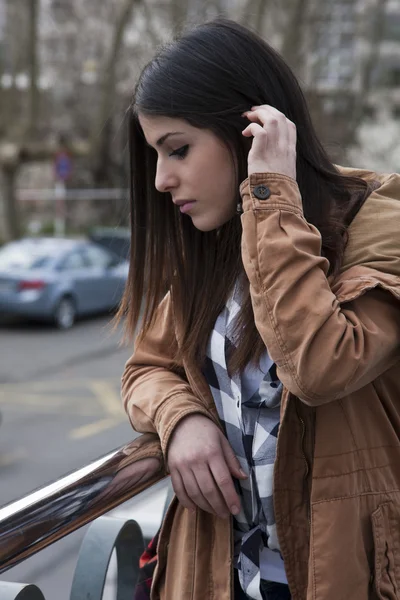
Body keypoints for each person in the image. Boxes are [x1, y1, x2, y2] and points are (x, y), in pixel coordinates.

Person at [119, 17, 400, 600]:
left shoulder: (380, 227)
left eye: (178, 150)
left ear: (250, 130)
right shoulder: (217, 249)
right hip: (215, 575)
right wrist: (181, 420)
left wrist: (269, 192)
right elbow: (147, 368)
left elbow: (320, 365)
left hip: (342, 577)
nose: (161, 179)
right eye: (155, 155)